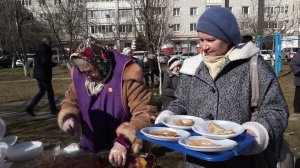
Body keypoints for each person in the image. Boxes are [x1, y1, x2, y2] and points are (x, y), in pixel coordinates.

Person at [155, 7, 289, 168]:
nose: (204, 46)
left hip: (239, 160)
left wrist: (255, 132)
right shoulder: (191, 67)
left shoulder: (253, 65)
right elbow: (181, 103)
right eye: (201, 40)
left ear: (228, 38)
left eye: (210, 40)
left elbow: (276, 109)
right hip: (195, 161)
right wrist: (168, 117)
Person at [58, 37, 157, 167]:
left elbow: (145, 112)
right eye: (83, 72)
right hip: (92, 150)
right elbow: (71, 100)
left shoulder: (126, 75)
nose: (87, 76)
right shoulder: (80, 75)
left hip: (124, 153)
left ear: (101, 64)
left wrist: (123, 140)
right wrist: (69, 117)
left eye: (90, 71)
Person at [26, 36, 57, 116]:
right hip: (44, 74)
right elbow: (45, 62)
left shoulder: (39, 48)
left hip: (38, 74)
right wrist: (53, 64)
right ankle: (53, 110)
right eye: (50, 42)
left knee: (42, 91)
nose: (51, 43)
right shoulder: (46, 49)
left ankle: (30, 107)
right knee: (50, 92)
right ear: (46, 42)